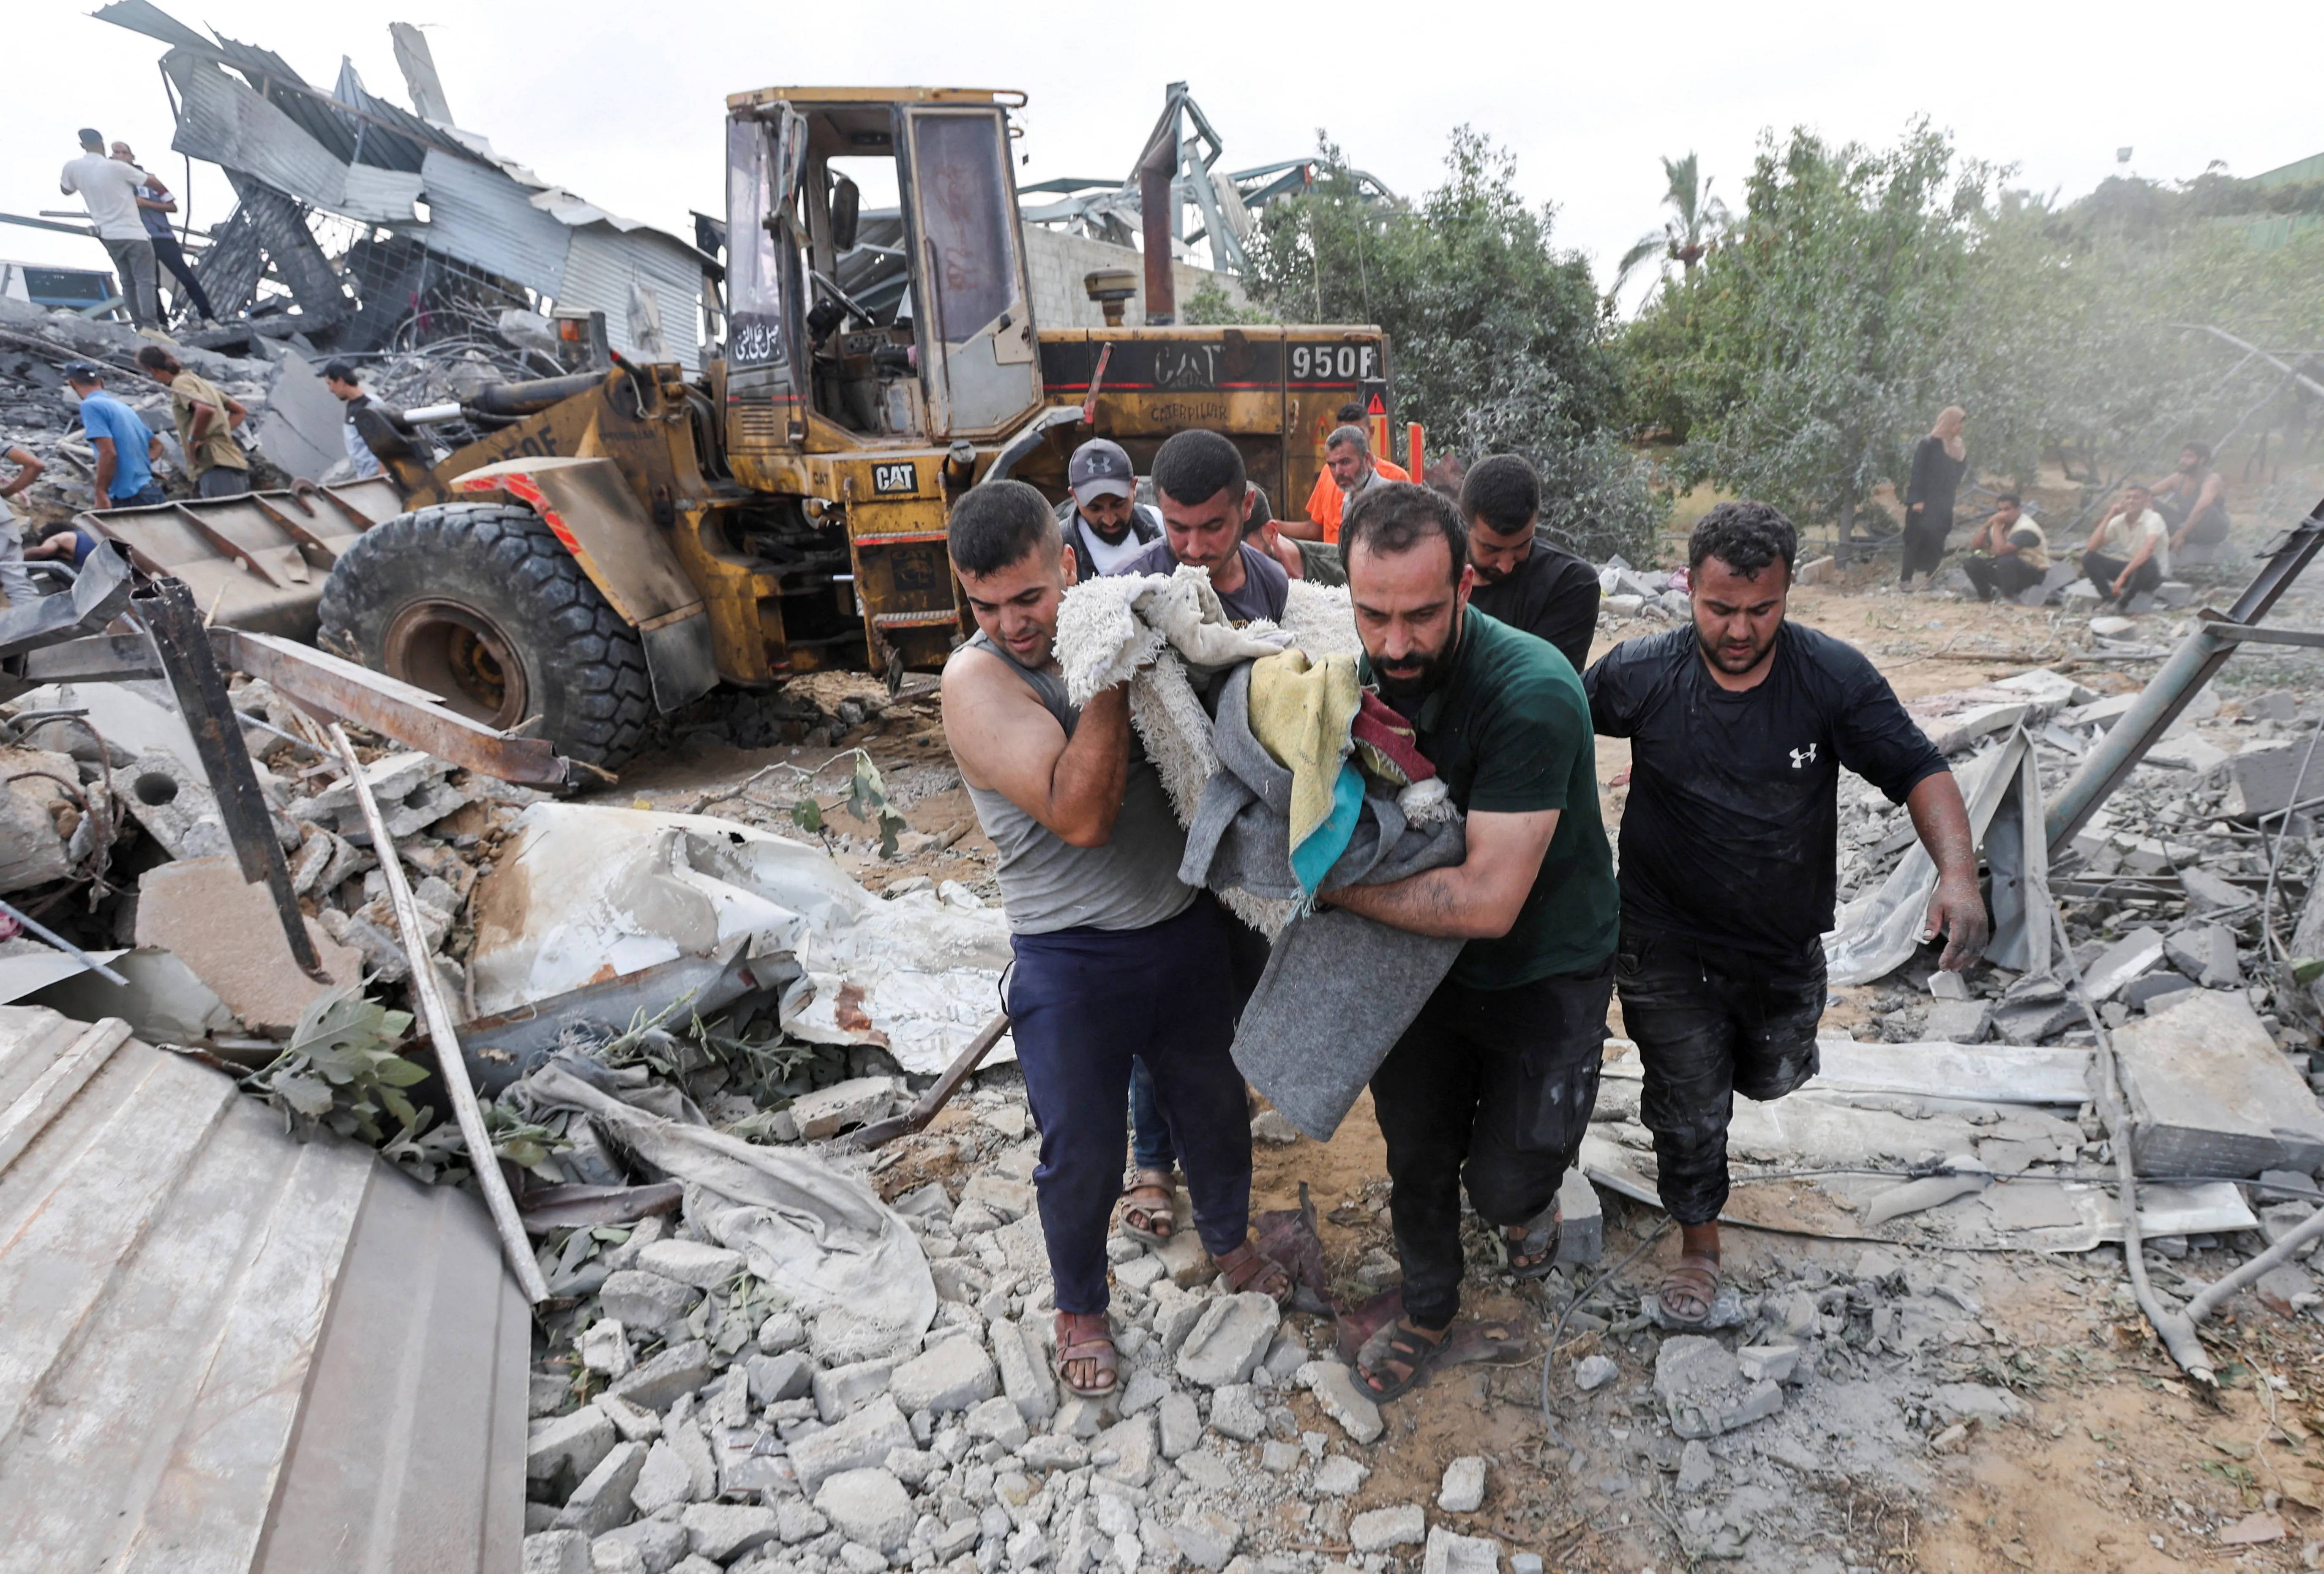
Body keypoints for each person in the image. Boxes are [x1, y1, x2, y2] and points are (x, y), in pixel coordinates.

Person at [1584, 501, 1987, 1326]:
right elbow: (1544, 721)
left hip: (1779, 947)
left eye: (1759, 608)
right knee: (1690, 1099)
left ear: (1786, 592)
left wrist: (1956, 870)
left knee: (1765, 1077)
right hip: (1663, 937)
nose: (1737, 628)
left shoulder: (1829, 677)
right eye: (1718, 607)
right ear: (1687, 586)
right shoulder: (1641, 673)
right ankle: (1698, 1242)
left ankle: (1719, 1105)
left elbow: (1918, 768)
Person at [940, 479, 1291, 1397]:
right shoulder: (975, 681)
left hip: (1176, 931)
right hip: (1069, 955)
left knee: (1214, 1108)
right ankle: (1080, 1306)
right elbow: (1081, 813)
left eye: (1028, 597)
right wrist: (1105, 657)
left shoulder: (1110, 617)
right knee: (1082, 1149)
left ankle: (1228, 1241)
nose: (1012, 623)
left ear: (1066, 565)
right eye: (985, 605)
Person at [1317, 482, 1620, 1401]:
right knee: (1414, 1145)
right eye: (1372, 615)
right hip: (1426, 966)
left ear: (1465, 590)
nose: (1394, 644)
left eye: (1419, 615)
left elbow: (1487, 900)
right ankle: (1427, 1304)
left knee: (1503, 1181)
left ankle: (1530, 1196)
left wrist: (1330, 883)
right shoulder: (1348, 675)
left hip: (1544, 959)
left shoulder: (1531, 690)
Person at [1116, 430, 1289, 625]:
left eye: (1213, 527)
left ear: (1247, 506)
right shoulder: (1126, 589)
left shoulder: (1272, 581)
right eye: (1179, 528)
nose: (1195, 550)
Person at [1459, 454, 1601, 674]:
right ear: (1465, 525)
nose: (1506, 565)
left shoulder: (1569, 584)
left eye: (1522, 546)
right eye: (1491, 549)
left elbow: (1544, 687)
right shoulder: (1434, 573)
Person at [60, 128, 160, 331]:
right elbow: (151, 182)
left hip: (108, 235)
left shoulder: (73, 168)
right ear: (102, 144)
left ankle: (140, 327)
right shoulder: (115, 167)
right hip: (134, 233)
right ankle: (152, 326)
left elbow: (66, 190)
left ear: (82, 145)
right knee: (145, 281)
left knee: (128, 282)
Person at [112, 142, 218, 328]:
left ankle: (208, 316)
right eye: (116, 153)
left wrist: (147, 204)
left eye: (124, 153)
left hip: (163, 237)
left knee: (185, 276)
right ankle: (162, 324)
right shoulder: (113, 185)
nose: (121, 156)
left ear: (132, 156)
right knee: (149, 283)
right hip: (138, 239)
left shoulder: (150, 180)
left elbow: (172, 206)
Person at [137, 344, 251, 498]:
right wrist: (218, 432)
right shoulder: (198, 381)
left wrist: (194, 441)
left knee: (227, 518)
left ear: (153, 370)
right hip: (231, 463)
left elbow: (205, 410)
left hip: (216, 466)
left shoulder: (180, 383)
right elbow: (240, 411)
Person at [1290, 404, 1406, 542]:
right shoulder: (1346, 494)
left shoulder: (1395, 485)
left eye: (1345, 462)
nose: (1338, 472)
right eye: (1333, 464)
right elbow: (1315, 529)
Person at [1053, 437, 1160, 581]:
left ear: (1134, 487)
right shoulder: (1057, 549)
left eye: (1119, 504)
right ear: (1075, 497)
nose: (1110, 520)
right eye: (1095, 509)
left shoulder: (1157, 522)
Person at [64, 363, 166, 510]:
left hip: (130, 497)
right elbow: (157, 446)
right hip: (150, 490)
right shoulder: (123, 408)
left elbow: (109, 453)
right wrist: (137, 467)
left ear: (72, 384)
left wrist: (100, 492)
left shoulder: (91, 406)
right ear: (102, 382)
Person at [1899, 406, 1967, 589]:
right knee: (1915, 539)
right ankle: (1906, 580)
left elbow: (1961, 470)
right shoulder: (1928, 444)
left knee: (1937, 540)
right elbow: (1918, 473)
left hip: (1944, 502)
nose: (1960, 427)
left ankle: (1931, 578)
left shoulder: (1958, 446)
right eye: (1958, 422)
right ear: (1949, 423)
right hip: (1925, 501)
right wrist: (1917, 500)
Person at [2082, 484, 2169, 608]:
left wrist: (2123, 577)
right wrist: (2110, 515)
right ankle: (2109, 600)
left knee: (2147, 561)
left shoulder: (2154, 518)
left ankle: (2122, 604)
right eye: (2128, 498)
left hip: (2153, 575)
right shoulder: (2119, 521)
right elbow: (2092, 546)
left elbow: (2148, 549)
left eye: (2136, 498)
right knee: (2089, 558)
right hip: (2133, 572)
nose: (2131, 501)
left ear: (2146, 500)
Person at [1959, 494, 2049, 603]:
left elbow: (2001, 551)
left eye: (2007, 510)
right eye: (2000, 510)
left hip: (2031, 575)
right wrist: (1987, 526)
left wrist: (1996, 525)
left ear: (2018, 510)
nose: (2003, 514)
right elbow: (1975, 547)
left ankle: (2008, 598)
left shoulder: (2026, 528)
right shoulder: (2001, 526)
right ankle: (1986, 596)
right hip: (2006, 573)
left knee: (2006, 560)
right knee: (1971, 562)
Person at [2152, 441, 2230, 557]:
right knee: (2145, 500)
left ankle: (2181, 539)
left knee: (2205, 507)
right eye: (2183, 456)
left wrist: (2182, 534)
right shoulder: (2178, 478)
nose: (2183, 461)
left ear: (2202, 460)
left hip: (2211, 530)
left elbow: (2202, 507)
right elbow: (2145, 493)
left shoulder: (2212, 479)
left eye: (2189, 457)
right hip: (2186, 524)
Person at [0, 445, 49, 606]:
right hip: (2, 522)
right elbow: (35, 465)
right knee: (19, 586)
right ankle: (36, 629)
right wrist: (6, 492)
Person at [323, 361, 384, 480]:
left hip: (377, 476)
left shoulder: (370, 404)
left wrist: (382, 478)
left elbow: (386, 443)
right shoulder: (352, 406)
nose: (330, 389)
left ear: (340, 382)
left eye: (330, 384)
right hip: (365, 476)